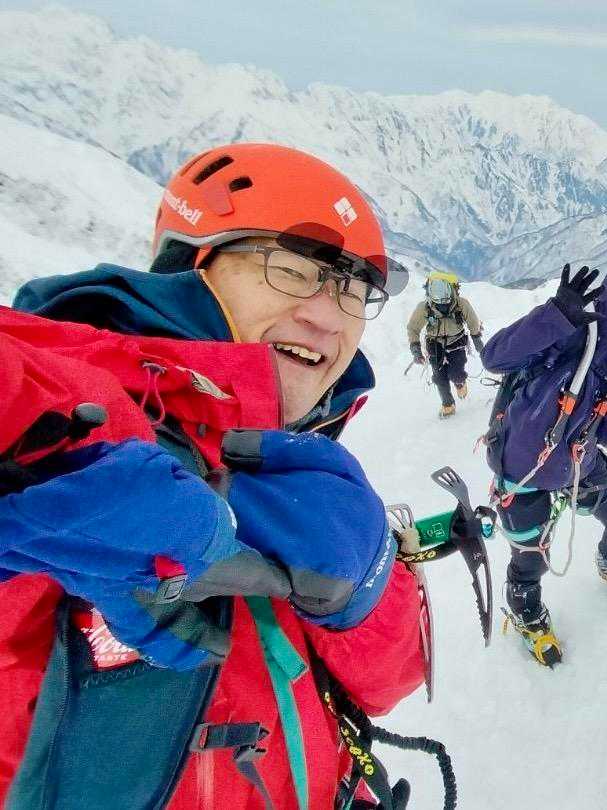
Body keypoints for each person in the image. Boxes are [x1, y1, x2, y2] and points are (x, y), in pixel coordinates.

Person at [0, 142, 426, 809]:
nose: (328, 315)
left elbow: (387, 686)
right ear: (191, 270)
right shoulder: (83, 410)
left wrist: (367, 588)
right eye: (292, 269)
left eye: (352, 288)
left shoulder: (304, 457)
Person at [480, 255, 607, 666]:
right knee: (531, 561)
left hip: (580, 466)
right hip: (523, 472)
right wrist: (554, 317)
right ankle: (526, 613)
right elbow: (494, 357)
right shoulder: (569, 329)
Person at [407, 271, 486, 417]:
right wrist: (415, 349)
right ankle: (448, 404)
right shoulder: (424, 307)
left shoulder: (461, 304)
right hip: (434, 343)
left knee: (456, 373)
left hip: (456, 341)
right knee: (439, 376)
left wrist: (477, 339)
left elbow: (473, 321)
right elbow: (413, 328)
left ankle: (459, 382)